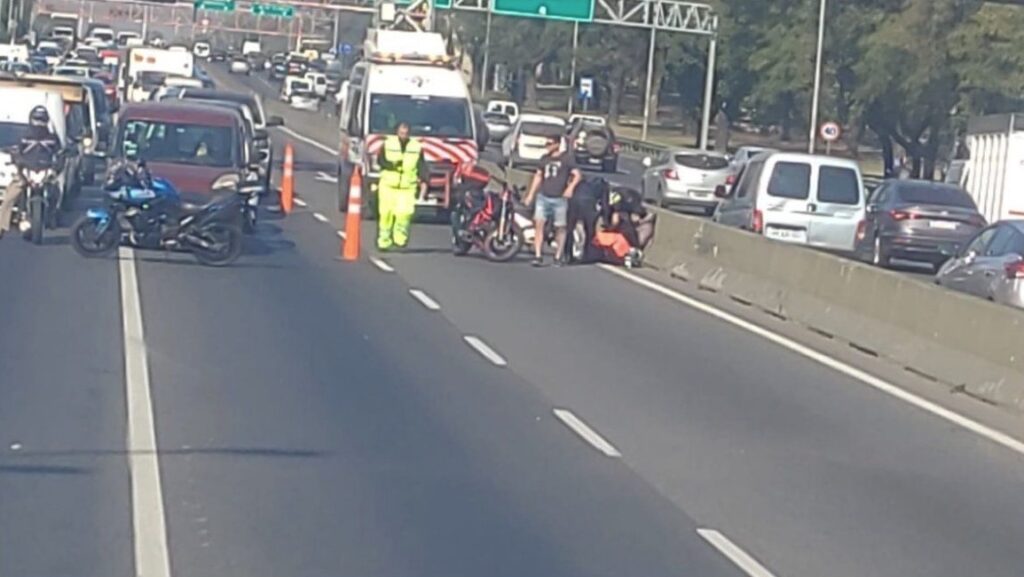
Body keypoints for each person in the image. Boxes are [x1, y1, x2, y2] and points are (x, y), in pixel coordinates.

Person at [0, 106, 61, 239]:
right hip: (25, 171)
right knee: (10, 196)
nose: (39, 123)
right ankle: (1, 225)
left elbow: (60, 153)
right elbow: (16, 150)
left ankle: (51, 217)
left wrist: (56, 168)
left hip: (45, 171)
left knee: (56, 191)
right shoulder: (24, 136)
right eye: (37, 120)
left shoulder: (52, 138)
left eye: (42, 120)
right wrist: (16, 161)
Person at [523, 136, 582, 266]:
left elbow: (577, 175)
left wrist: (570, 188)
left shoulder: (566, 159)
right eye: (546, 143)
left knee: (560, 227)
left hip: (559, 198)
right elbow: (538, 176)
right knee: (539, 225)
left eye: (550, 143)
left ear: (557, 144)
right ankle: (538, 255)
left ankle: (558, 256)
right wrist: (530, 195)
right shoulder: (544, 159)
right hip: (543, 197)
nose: (547, 146)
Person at [376, 121, 427, 251]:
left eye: (406, 133)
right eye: (401, 132)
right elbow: (380, 161)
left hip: (407, 186)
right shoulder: (388, 144)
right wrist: (392, 165)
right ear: (397, 132)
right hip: (388, 185)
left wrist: (424, 181)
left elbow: (421, 165)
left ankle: (400, 239)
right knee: (386, 213)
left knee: (404, 214)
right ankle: (384, 241)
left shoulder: (416, 147)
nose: (403, 135)